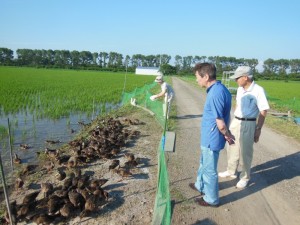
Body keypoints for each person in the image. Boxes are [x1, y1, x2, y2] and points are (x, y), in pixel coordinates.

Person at [189, 63, 233, 207]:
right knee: (204, 163)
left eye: (197, 77)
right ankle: (200, 185)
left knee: (209, 169)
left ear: (206, 76)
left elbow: (220, 122)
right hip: (209, 136)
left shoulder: (215, 93)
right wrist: (227, 133)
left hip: (211, 138)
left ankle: (211, 198)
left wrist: (226, 134)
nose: (196, 80)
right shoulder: (220, 89)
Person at [218, 66, 270, 189]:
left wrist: (258, 129)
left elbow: (263, 110)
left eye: (237, 78)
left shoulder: (258, 90)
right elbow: (237, 105)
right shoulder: (240, 89)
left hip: (249, 123)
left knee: (246, 151)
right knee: (231, 147)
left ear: (245, 77)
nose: (235, 80)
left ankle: (245, 177)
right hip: (236, 121)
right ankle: (231, 171)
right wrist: (234, 120)